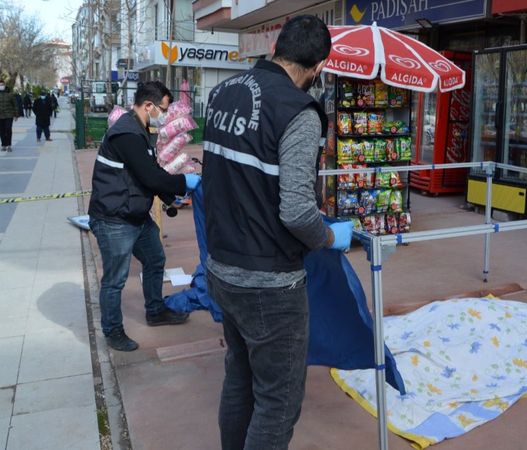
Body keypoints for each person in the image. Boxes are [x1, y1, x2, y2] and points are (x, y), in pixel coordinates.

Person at [202, 15, 353, 450]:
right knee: (278, 402)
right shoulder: (298, 112)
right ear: (319, 66)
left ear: (275, 48)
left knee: (240, 378)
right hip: (269, 283)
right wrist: (328, 237)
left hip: (222, 266)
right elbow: (298, 212)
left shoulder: (223, 92)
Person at [88, 81, 201, 352]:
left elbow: (147, 173)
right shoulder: (126, 133)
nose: (163, 114)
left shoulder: (141, 130)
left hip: (135, 214)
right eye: (162, 109)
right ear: (148, 105)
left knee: (155, 259)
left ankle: (155, 310)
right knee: (115, 278)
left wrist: (169, 198)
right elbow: (150, 175)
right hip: (114, 218)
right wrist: (185, 181)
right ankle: (113, 330)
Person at [0, 80, 20, 152]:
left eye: (2, 85)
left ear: (4, 85)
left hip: (9, 115)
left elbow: (15, 105)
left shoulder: (10, 94)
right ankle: (3, 145)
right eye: (0, 85)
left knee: (8, 129)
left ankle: (9, 145)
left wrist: (16, 115)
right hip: (0, 116)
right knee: (2, 131)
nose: (1, 86)